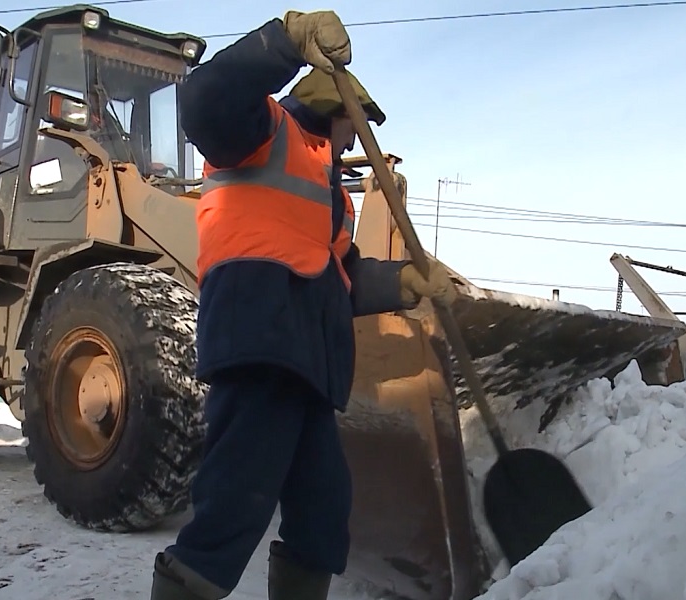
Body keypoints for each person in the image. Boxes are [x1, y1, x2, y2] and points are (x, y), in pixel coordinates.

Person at [150, 10, 455, 600]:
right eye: (357, 124)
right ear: (337, 111)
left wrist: (406, 284)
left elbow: (340, 275)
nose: (357, 137)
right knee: (235, 502)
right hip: (260, 344)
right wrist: (282, 43)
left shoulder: (330, 193)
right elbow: (205, 98)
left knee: (323, 513)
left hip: (311, 364)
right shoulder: (261, 132)